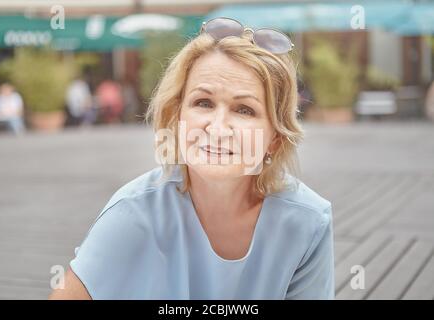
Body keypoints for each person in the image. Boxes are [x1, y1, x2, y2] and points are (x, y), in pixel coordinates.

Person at [49, 17, 334, 300]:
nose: (218, 128)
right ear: (177, 115)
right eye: (203, 102)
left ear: (275, 138)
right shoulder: (133, 213)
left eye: (244, 109)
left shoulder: (308, 222)